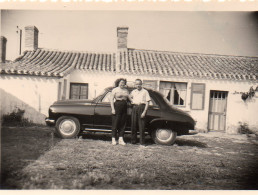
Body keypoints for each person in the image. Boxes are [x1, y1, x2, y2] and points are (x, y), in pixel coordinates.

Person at [130, 79, 151, 146]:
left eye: (139, 84)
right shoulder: (133, 91)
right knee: (134, 125)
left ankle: (142, 142)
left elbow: (147, 102)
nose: (138, 85)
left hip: (142, 107)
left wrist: (144, 112)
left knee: (141, 125)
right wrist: (131, 101)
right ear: (135, 84)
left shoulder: (145, 91)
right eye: (136, 84)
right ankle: (133, 141)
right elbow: (129, 97)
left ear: (141, 84)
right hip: (134, 107)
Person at [110, 78, 129, 145]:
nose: (122, 84)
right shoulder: (115, 90)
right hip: (117, 105)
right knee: (115, 122)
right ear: (118, 83)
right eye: (121, 82)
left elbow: (129, 98)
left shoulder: (126, 90)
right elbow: (111, 100)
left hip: (124, 106)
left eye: (123, 83)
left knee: (123, 123)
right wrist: (113, 109)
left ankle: (121, 139)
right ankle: (113, 139)